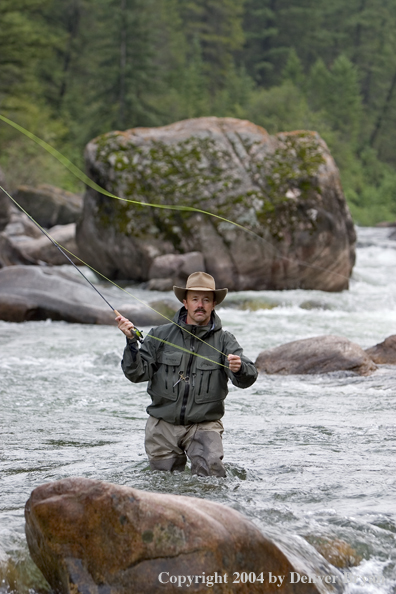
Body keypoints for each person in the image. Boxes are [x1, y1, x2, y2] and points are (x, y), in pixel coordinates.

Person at [117, 271, 257, 477]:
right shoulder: (159, 335)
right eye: (195, 299)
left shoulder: (226, 340)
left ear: (213, 304)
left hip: (204, 424)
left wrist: (240, 369)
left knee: (211, 478)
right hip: (162, 425)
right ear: (185, 302)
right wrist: (130, 342)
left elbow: (249, 376)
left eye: (206, 300)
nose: (200, 305)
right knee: (163, 485)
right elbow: (135, 374)